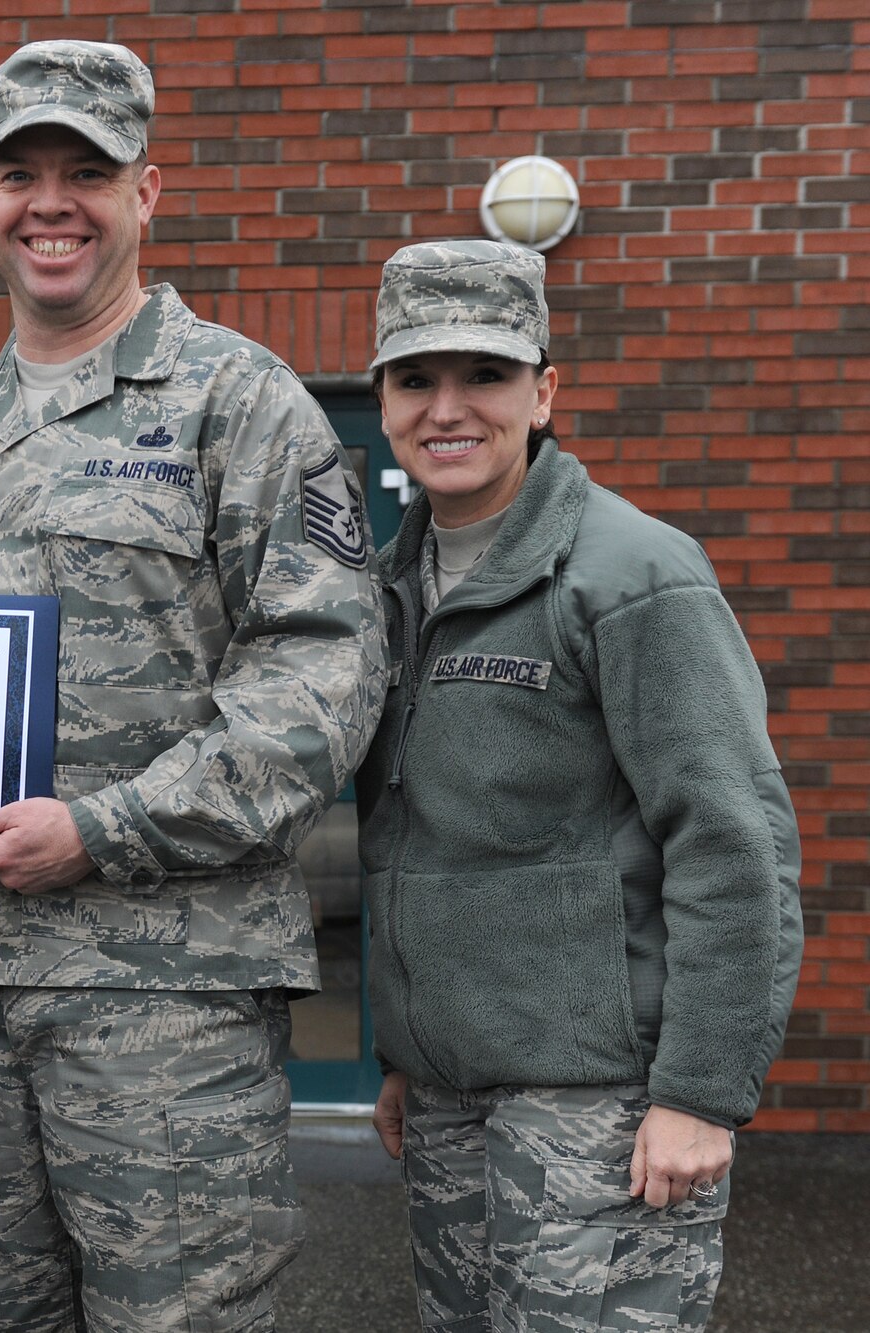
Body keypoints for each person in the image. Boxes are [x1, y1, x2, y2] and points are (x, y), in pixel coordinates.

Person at [0, 40, 386, 1332]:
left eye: (85, 173)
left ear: (145, 193)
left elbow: (320, 682)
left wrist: (106, 828)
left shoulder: (239, 403)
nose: (51, 204)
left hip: (168, 1001)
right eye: (20, 174)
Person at [355, 239, 805, 1332]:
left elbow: (735, 843)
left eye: (485, 374)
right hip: (449, 1097)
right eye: (415, 378)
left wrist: (700, 1092)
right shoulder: (388, 587)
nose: (446, 409)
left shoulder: (629, 574)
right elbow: (428, 839)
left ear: (544, 392)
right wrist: (412, 1050)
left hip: (600, 1105)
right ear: (382, 403)